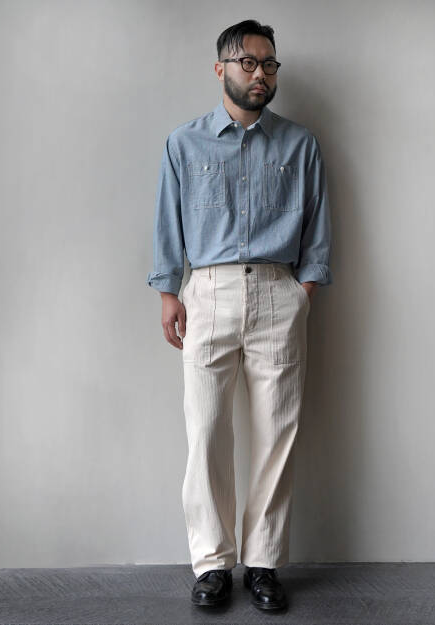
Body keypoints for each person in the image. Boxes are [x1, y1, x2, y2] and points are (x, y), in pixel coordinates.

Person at [146, 19, 332, 611]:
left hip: (279, 291)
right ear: (221, 68)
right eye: (248, 62)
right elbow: (168, 221)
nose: (260, 74)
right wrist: (168, 291)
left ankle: (264, 562)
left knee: (277, 432)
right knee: (205, 432)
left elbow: (318, 227)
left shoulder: (300, 144)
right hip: (208, 293)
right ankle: (212, 563)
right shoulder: (184, 143)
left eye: (269, 64)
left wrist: (303, 290)